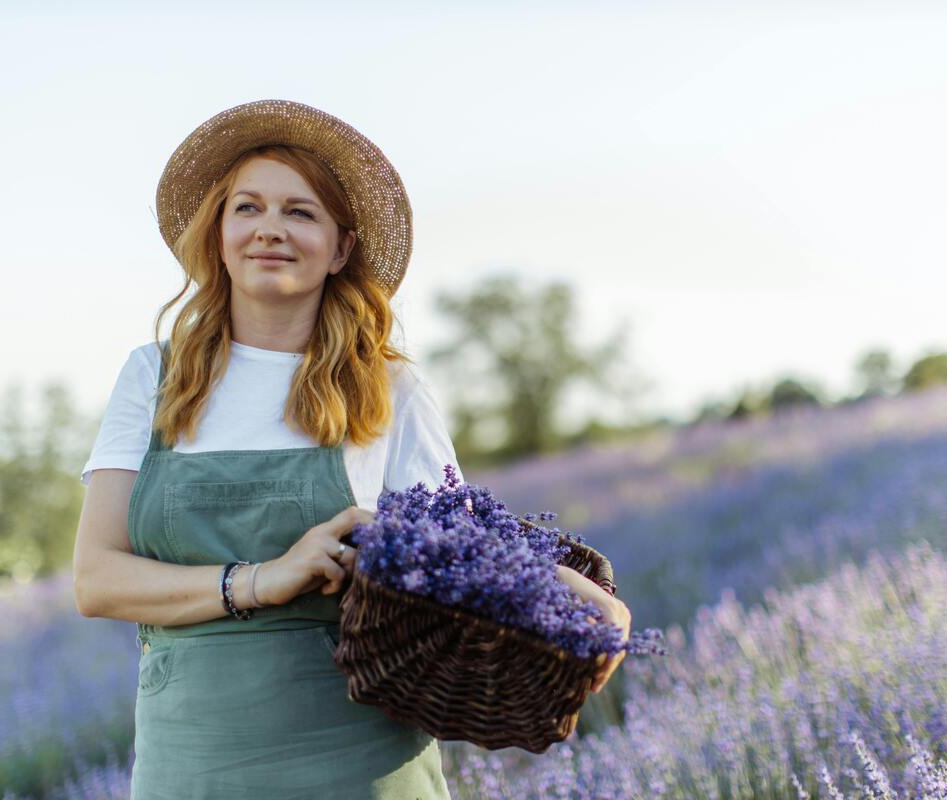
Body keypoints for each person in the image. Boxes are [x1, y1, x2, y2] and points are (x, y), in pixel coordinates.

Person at [72, 99, 630, 799]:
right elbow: (96, 580)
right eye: (247, 208)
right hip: (192, 762)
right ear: (217, 234)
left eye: (300, 212)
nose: (269, 229)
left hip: (361, 764)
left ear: (339, 247)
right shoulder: (153, 377)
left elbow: (470, 557)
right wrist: (263, 577)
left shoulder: (390, 387)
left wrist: (595, 608)